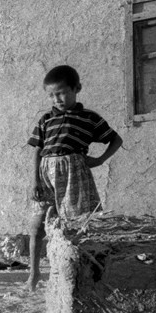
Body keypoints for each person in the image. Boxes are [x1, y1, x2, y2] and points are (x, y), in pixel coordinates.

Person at [27, 65, 122, 291]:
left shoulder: (88, 118)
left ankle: (77, 275)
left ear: (76, 88)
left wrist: (99, 160)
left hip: (74, 174)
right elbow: (37, 150)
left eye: (61, 92)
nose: (56, 99)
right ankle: (34, 273)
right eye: (51, 95)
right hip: (45, 175)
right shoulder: (46, 119)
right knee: (36, 226)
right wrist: (35, 180)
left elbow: (115, 140)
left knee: (77, 225)